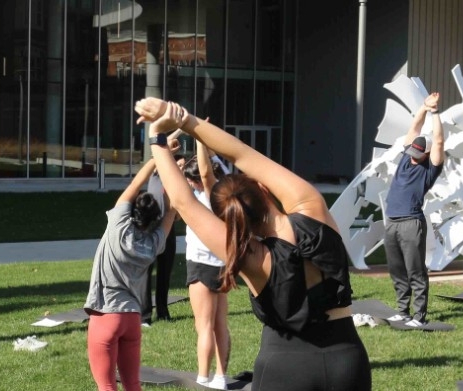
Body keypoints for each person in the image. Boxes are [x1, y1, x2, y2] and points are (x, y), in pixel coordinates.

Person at [136, 98, 372, 390]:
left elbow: (184, 202)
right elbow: (242, 154)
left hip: (285, 368)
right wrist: (185, 120)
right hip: (346, 361)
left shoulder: (247, 256)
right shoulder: (311, 206)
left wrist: (157, 139)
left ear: (232, 221)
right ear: (262, 187)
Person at [84, 158, 178, 391]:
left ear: (133, 210)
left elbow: (136, 183)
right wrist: (169, 197)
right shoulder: (153, 244)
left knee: (106, 385)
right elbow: (170, 215)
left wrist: (157, 157)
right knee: (133, 385)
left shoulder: (118, 224)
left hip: (106, 314)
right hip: (132, 318)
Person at [382, 92, 446, 327]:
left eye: (419, 154)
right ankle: (402, 310)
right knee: (397, 269)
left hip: (411, 222)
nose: (414, 157)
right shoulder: (406, 156)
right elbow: (415, 127)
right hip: (392, 221)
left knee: (415, 270)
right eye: (413, 152)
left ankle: (418, 316)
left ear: (427, 154)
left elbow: (438, 141)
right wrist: (423, 107)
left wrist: (435, 112)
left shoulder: (430, 168)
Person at [182, 140, 233, 390]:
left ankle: (203, 378)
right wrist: (208, 149)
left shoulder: (206, 194)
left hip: (202, 264)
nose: (189, 184)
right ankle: (221, 378)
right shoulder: (225, 192)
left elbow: (204, 172)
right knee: (220, 324)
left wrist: (200, 141)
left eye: (190, 181)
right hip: (222, 264)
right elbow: (213, 169)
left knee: (204, 326)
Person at [141, 153, 183, 325]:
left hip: (168, 231)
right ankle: (145, 316)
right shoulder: (157, 173)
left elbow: (178, 216)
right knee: (146, 274)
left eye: (182, 166)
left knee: (164, 273)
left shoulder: (178, 185)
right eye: (178, 164)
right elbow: (159, 153)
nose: (181, 168)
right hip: (150, 230)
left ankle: (163, 312)